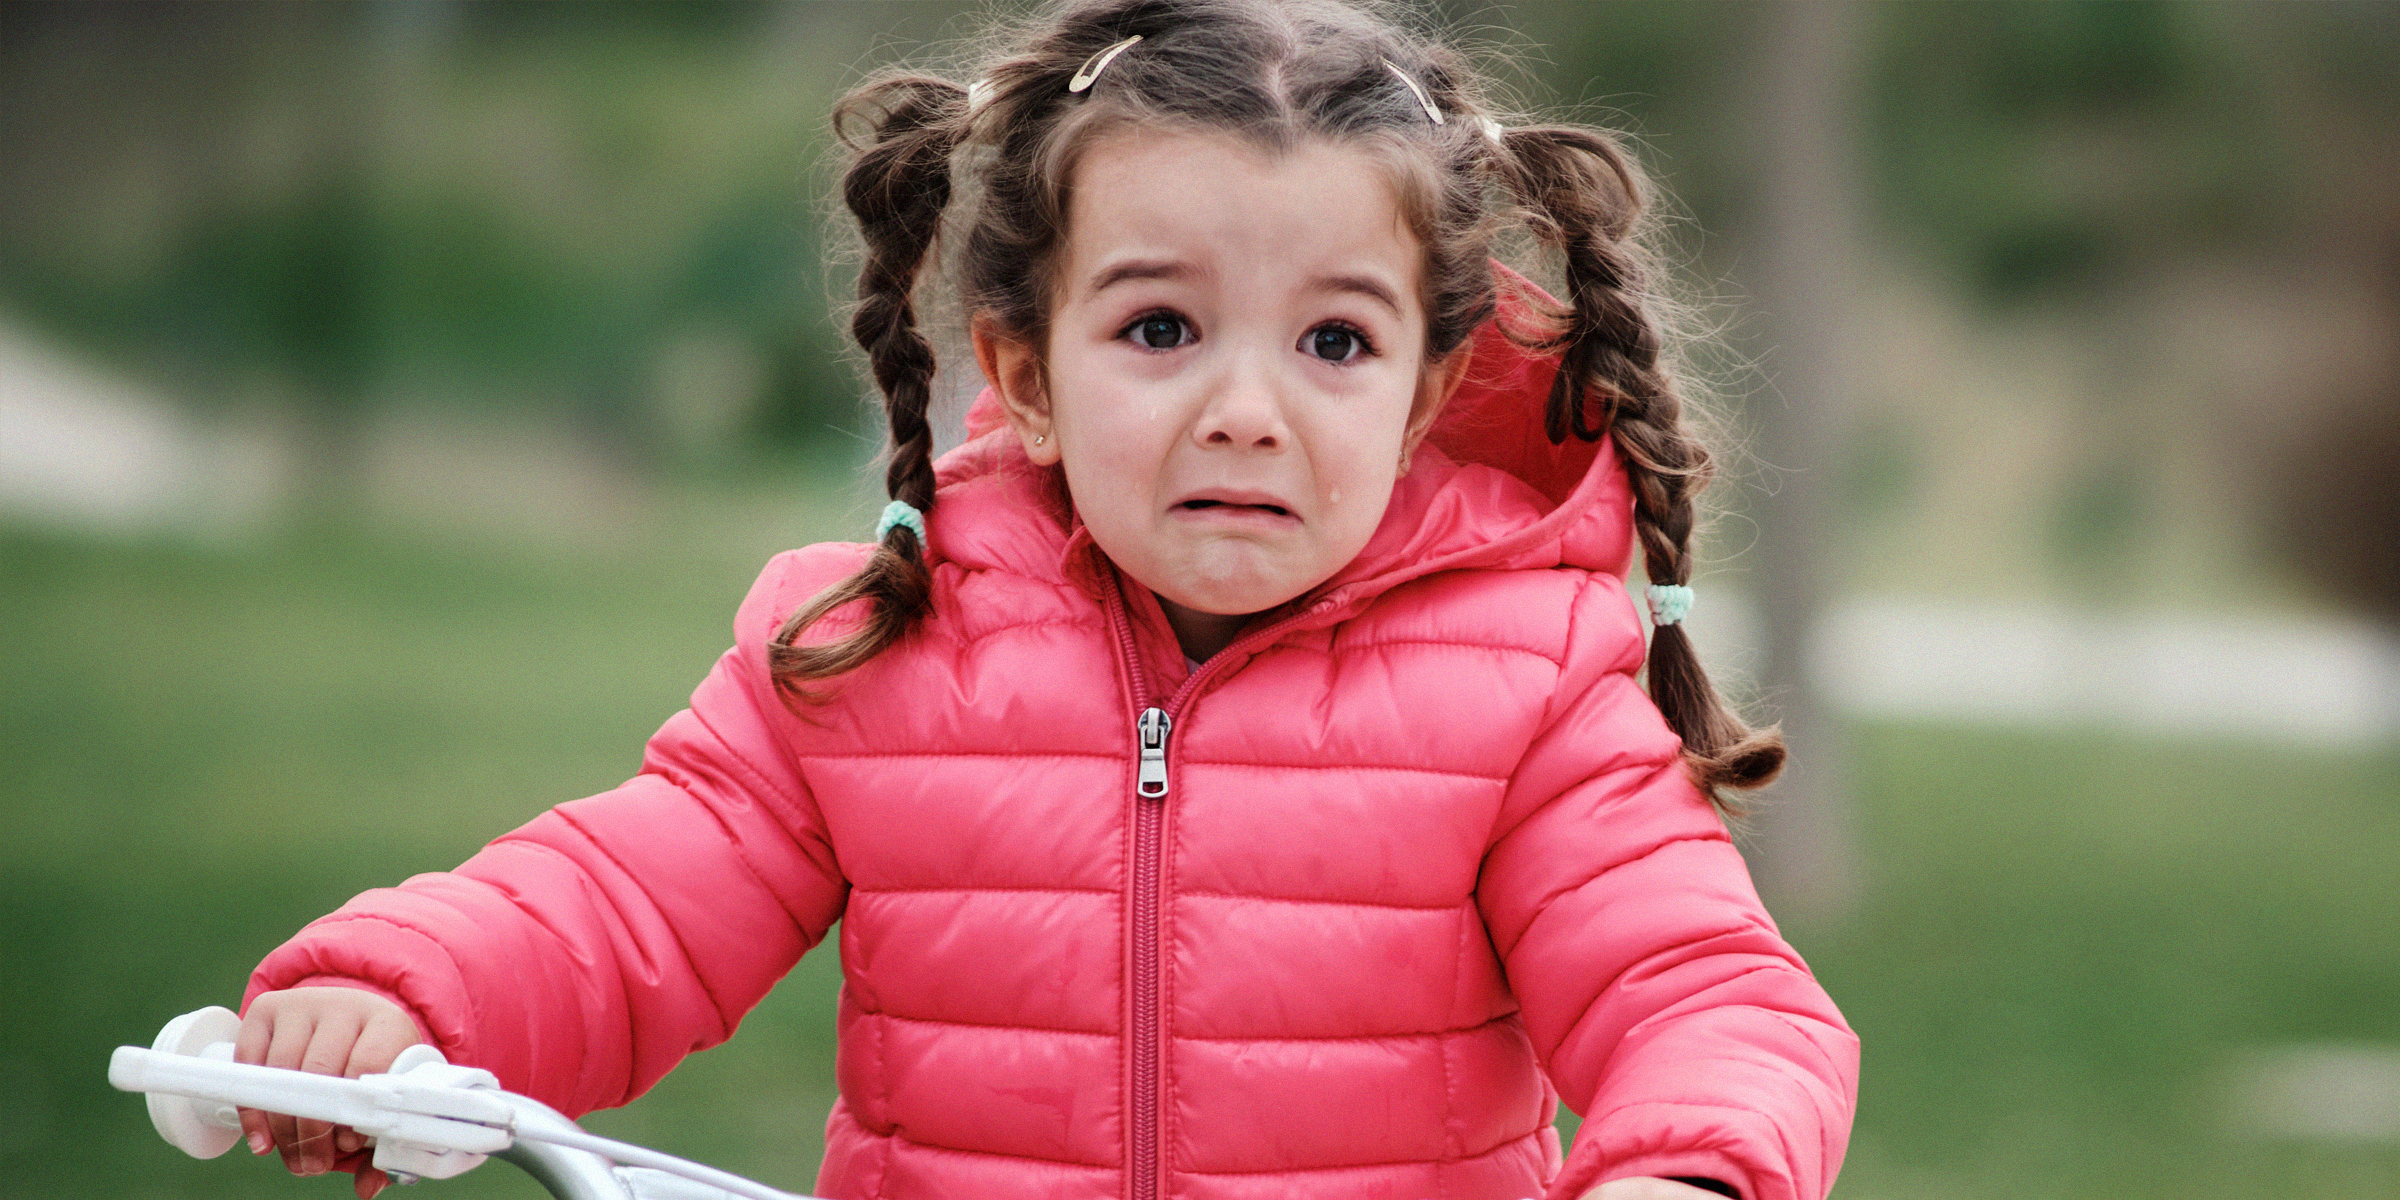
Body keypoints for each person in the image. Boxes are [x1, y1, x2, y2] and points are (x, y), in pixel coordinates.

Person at [233, 3, 1857, 1199]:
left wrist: (1693, 1172)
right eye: (1161, 330)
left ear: (1425, 394)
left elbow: (1701, 993)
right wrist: (404, 991)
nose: (1246, 410)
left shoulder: (1532, 690)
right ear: (1028, 368)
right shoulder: (884, 643)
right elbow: (628, 904)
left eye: (1334, 343)